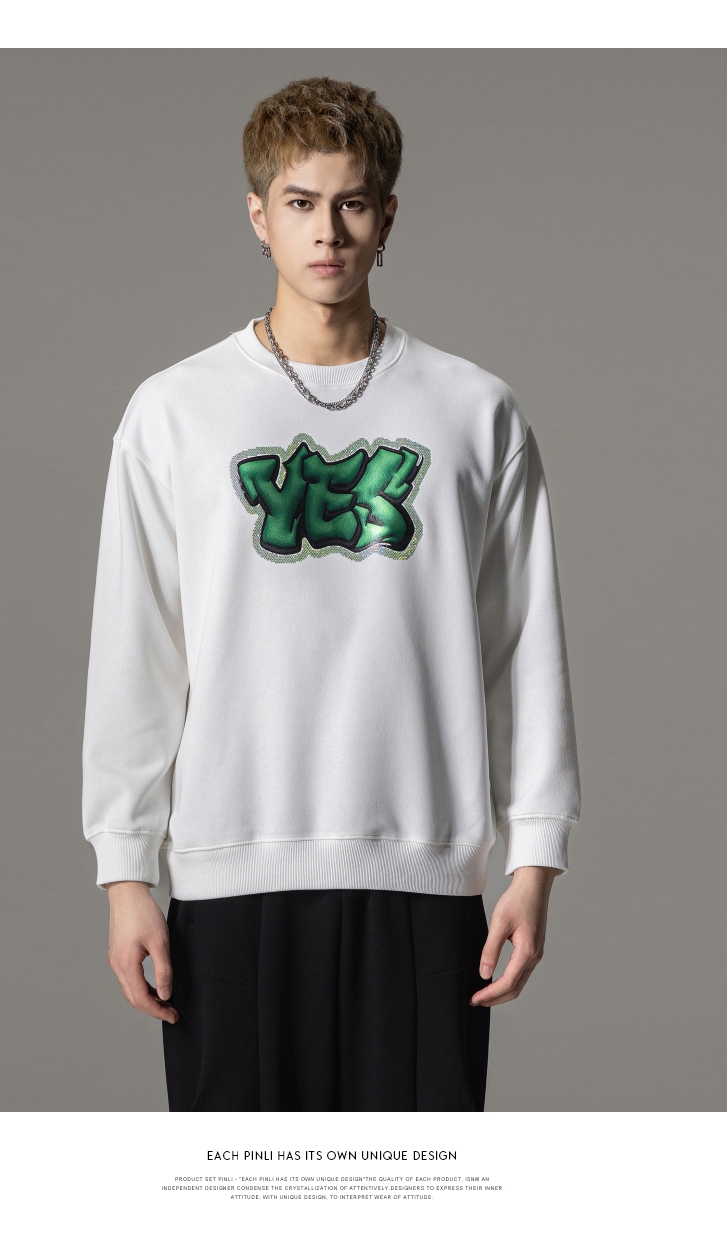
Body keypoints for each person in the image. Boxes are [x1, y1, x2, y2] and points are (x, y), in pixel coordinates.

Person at [82, 76, 580, 1111]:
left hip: (424, 871)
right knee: (240, 1185)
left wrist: (535, 858)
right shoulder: (174, 412)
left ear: (387, 217)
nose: (327, 232)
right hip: (229, 871)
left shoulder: (474, 411)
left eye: (352, 203)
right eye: (300, 203)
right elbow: (138, 649)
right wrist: (126, 872)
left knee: (414, 1184)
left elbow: (524, 647)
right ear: (257, 215)